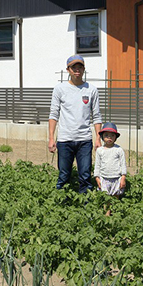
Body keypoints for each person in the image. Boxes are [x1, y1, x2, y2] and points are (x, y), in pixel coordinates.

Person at [48, 55, 102, 193]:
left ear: (84, 69)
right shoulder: (60, 89)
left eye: (80, 67)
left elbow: (96, 115)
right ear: (68, 70)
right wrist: (51, 138)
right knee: (64, 175)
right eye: (74, 67)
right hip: (65, 139)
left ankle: (85, 206)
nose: (77, 70)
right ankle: (61, 204)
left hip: (84, 140)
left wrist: (98, 138)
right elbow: (54, 114)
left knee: (85, 175)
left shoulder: (91, 90)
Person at [94, 122, 127, 197]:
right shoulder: (100, 150)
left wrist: (123, 177)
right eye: (106, 135)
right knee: (105, 198)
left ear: (115, 137)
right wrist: (97, 178)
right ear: (102, 137)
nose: (109, 137)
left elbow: (123, 164)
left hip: (116, 178)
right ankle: (107, 209)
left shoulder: (119, 150)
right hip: (104, 178)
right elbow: (97, 165)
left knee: (116, 196)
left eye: (112, 135)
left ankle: (115, 209)